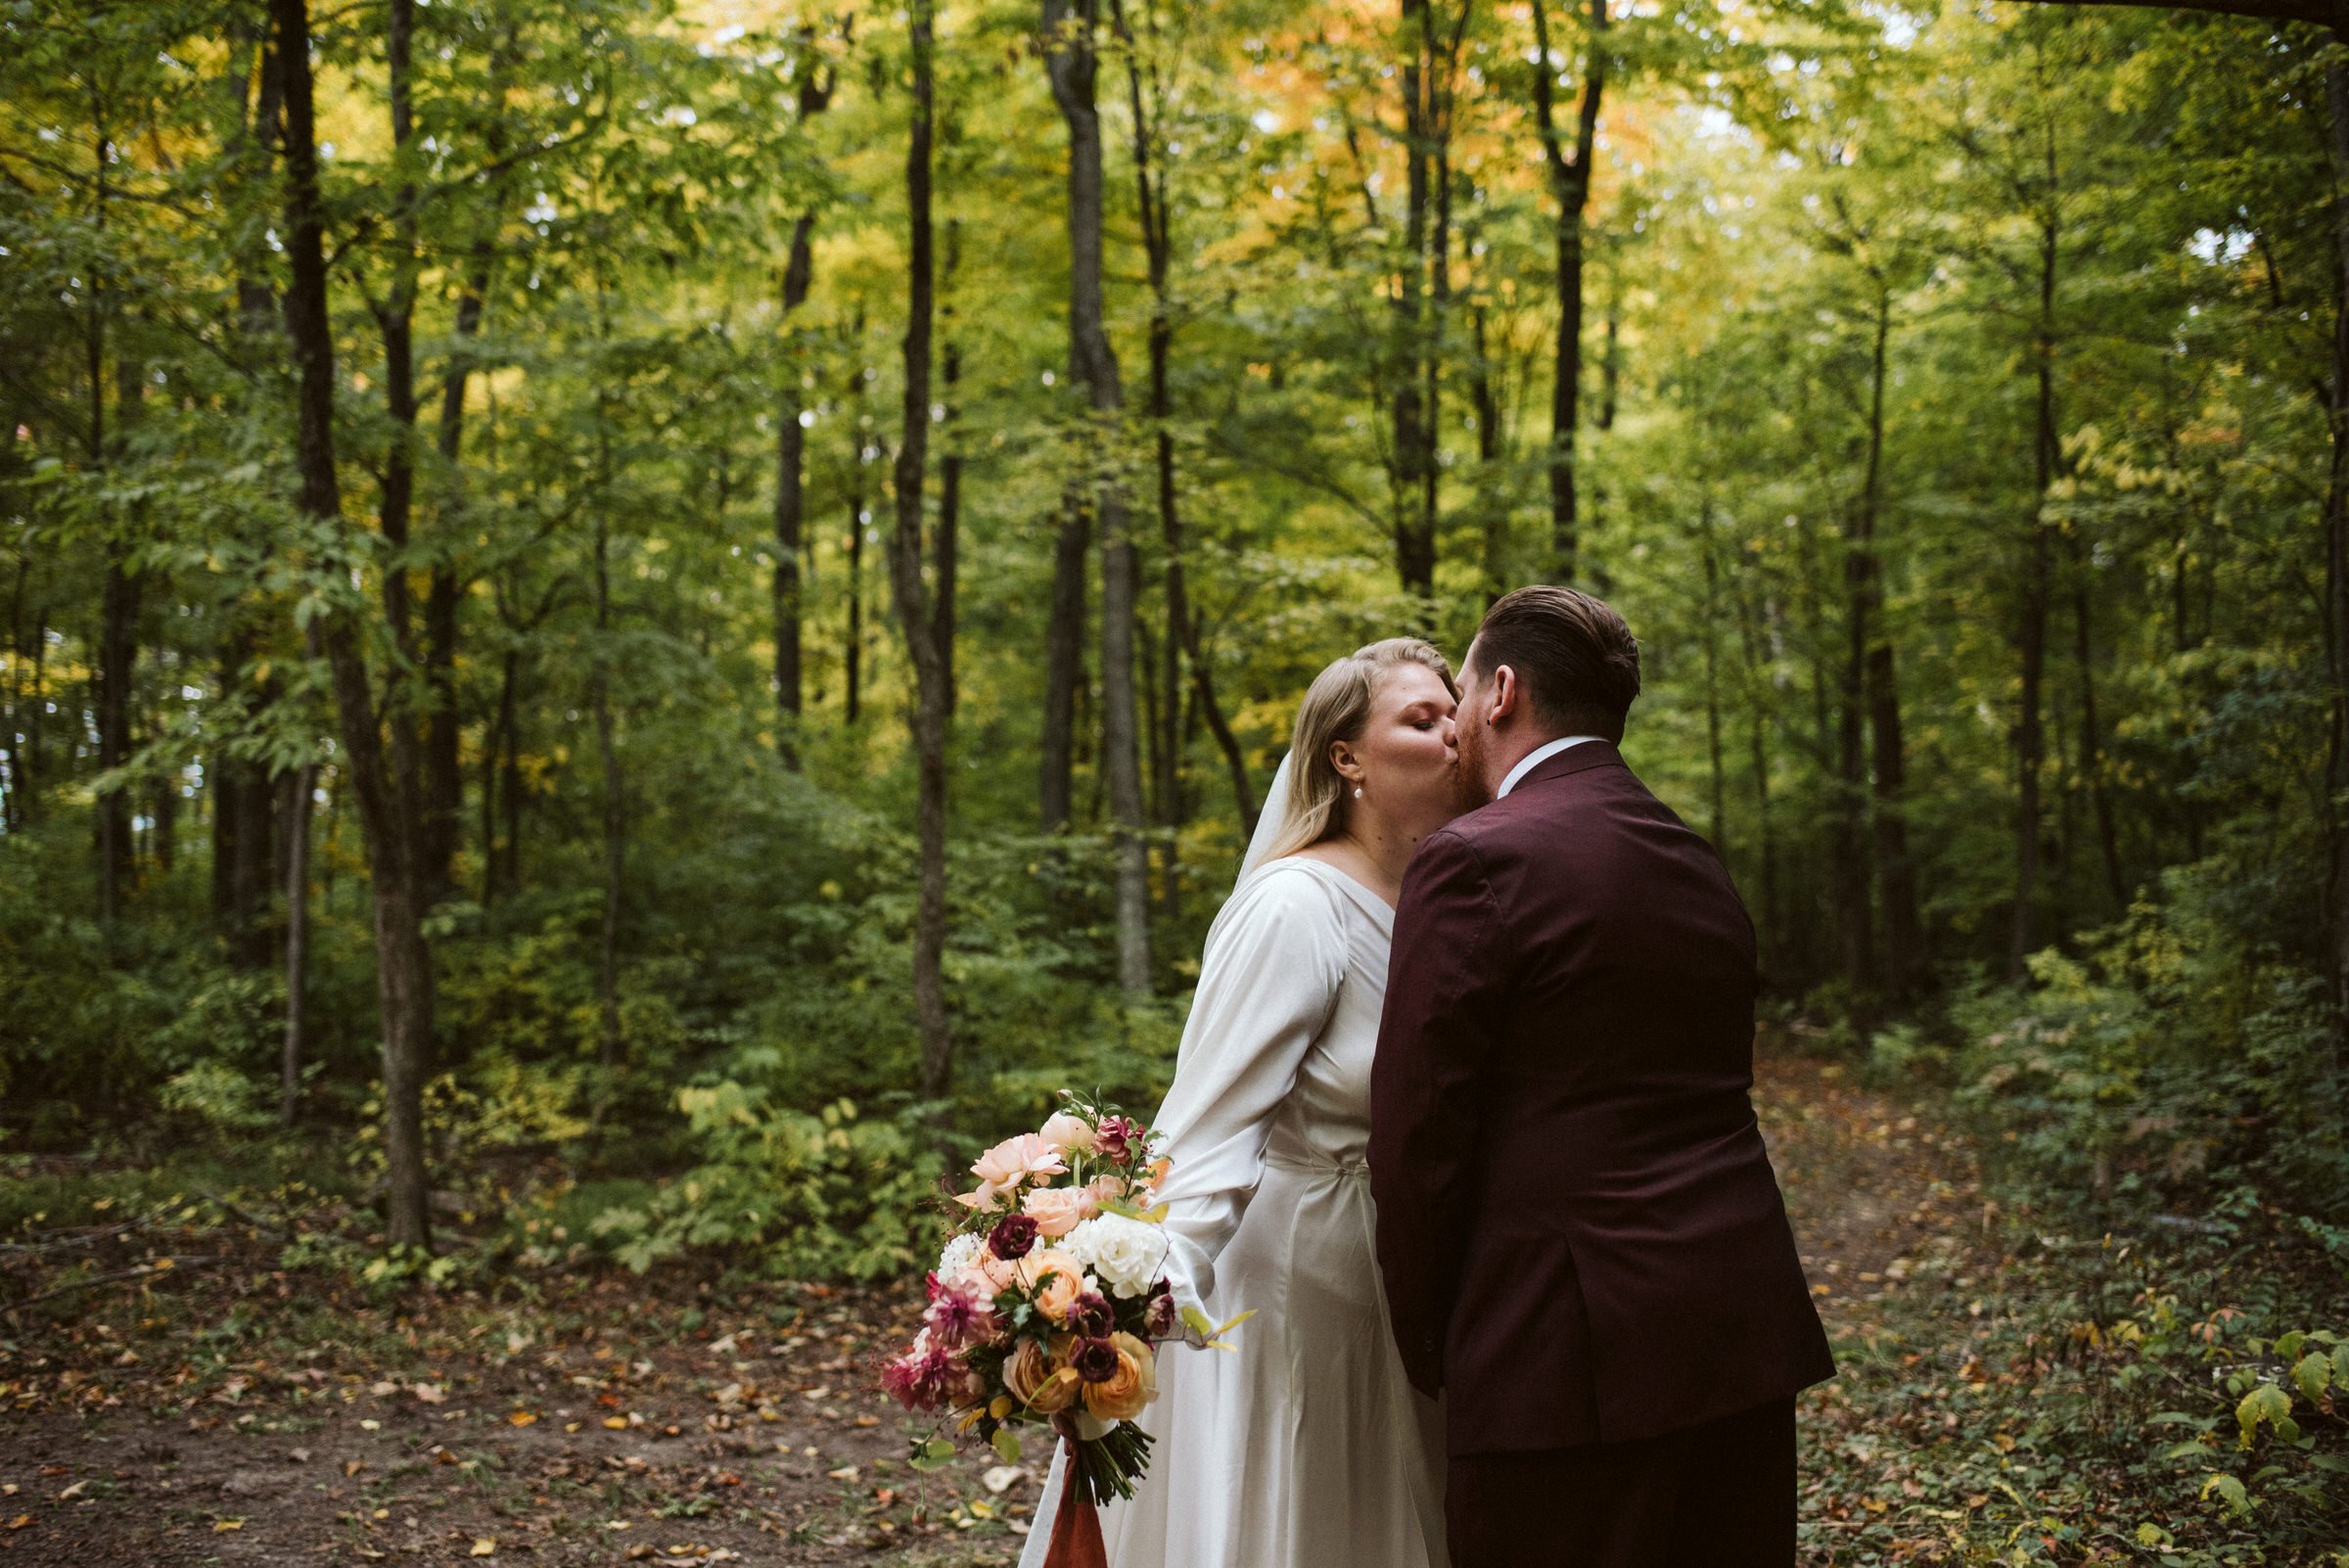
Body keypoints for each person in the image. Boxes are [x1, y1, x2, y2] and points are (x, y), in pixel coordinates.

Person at [1368, 585, 1835, 1568]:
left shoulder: (1472, 861)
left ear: (1500, 693)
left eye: (1456, 691)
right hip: (1739, 1335)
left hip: (1559, 1360)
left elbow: (1418, 1139)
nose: (1451, 718)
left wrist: (1431, 1344)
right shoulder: (1694, 858)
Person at [1020, 637, 1465, 1568]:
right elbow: (1216, 1120)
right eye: (1422, 720)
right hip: (1295, 1278)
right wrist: (1141, 1295)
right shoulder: (1295, 906)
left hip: (1404, 1268)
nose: (1454, 734)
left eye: (1454, 713)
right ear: (1347, 756)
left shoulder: (1439, 896)